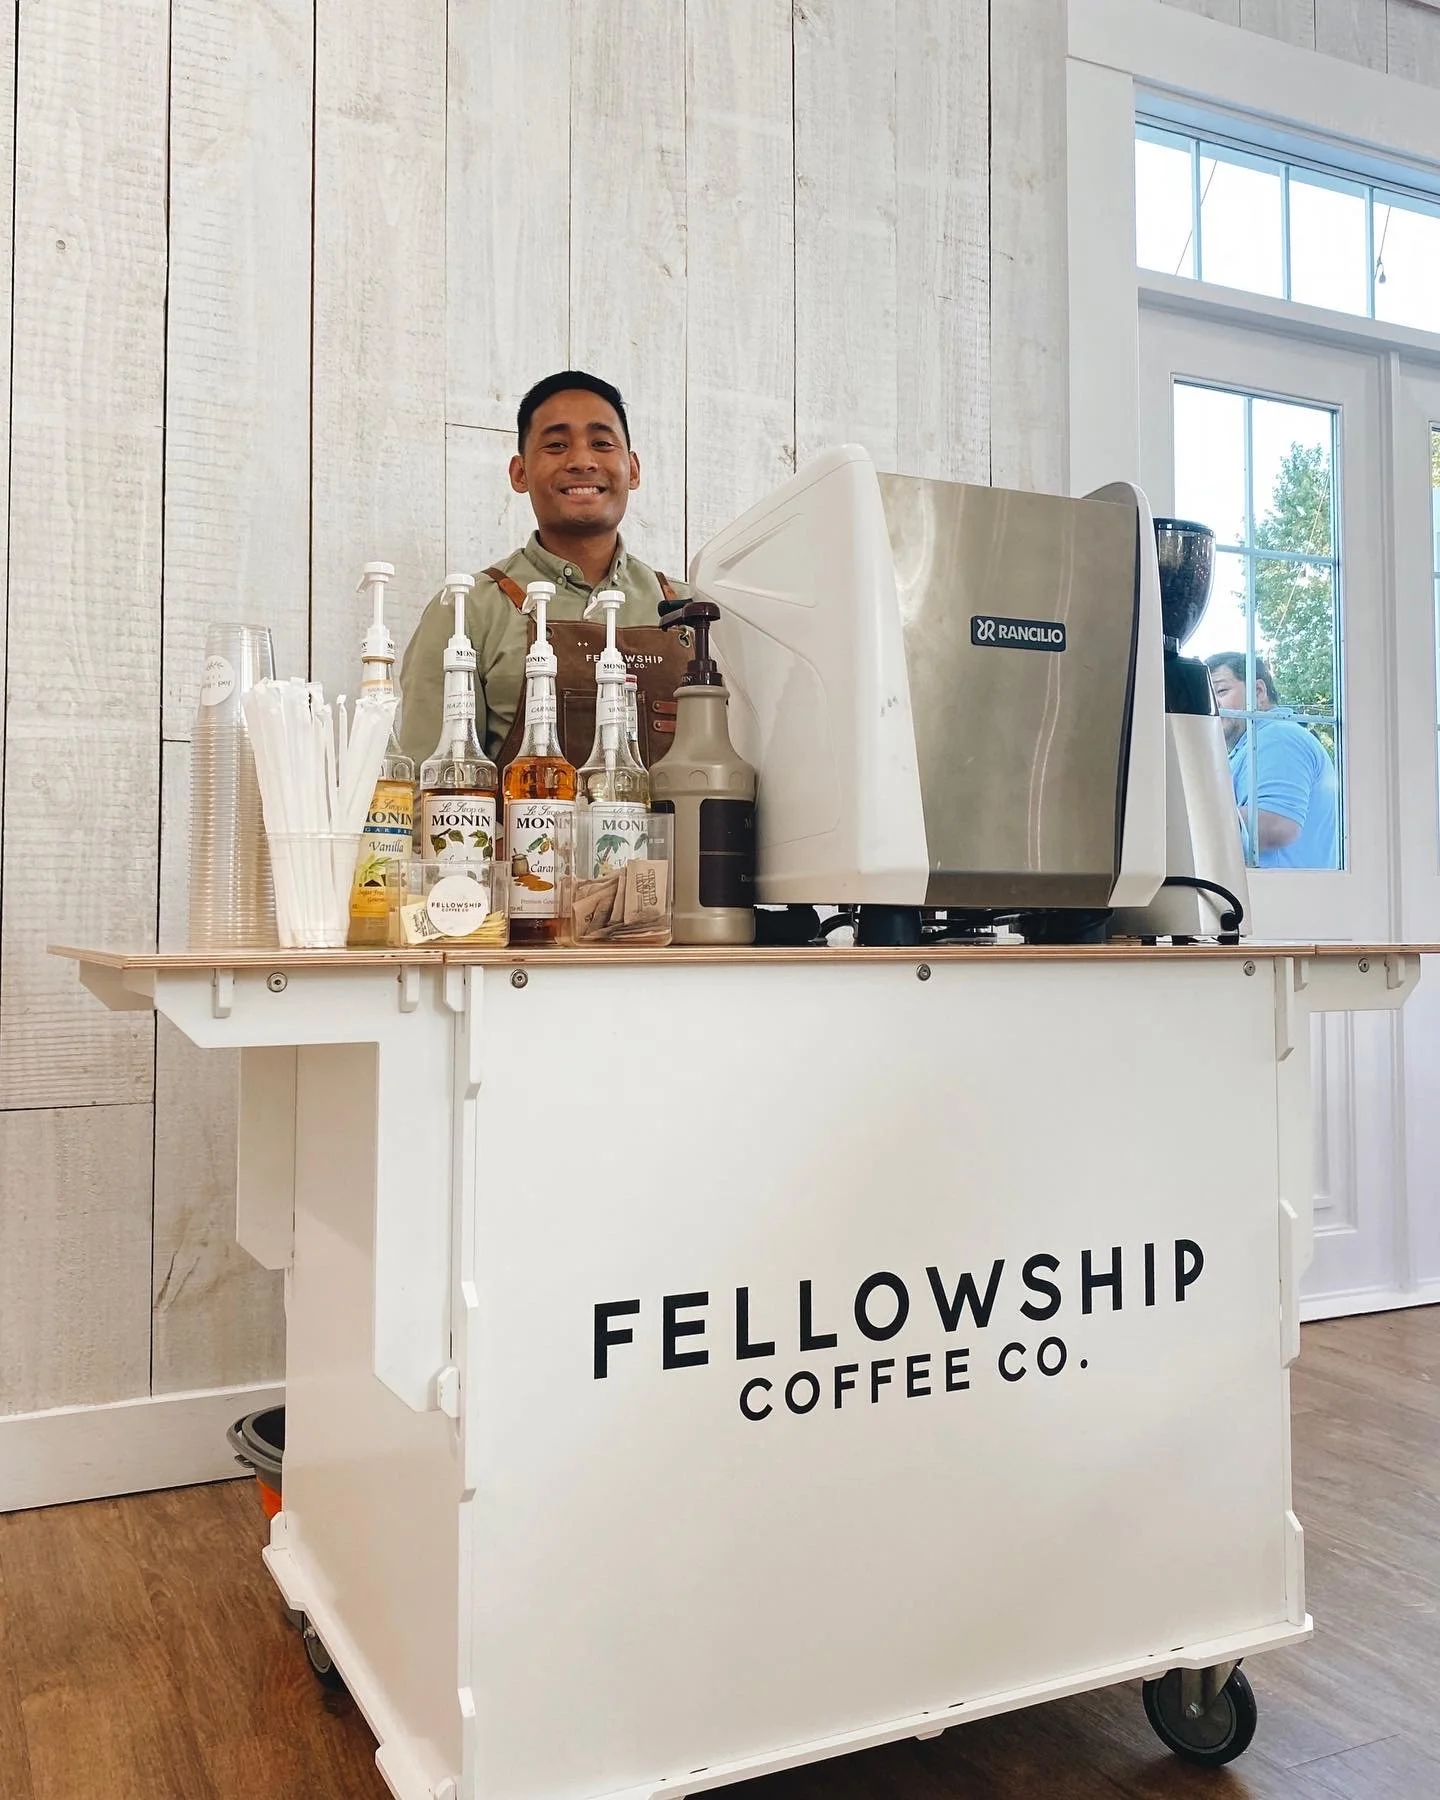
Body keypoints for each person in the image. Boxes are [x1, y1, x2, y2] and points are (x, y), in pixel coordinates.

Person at [398, 370, 686, 763]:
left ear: (633, 469)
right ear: (520, 473)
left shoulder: (690, 610)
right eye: (555, 445)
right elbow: (425, 789)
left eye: (602, 443)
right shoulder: (466, 611)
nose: (582, 460)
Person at [1205, 652, 1339, 870]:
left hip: (1282, 898)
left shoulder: (1277, 736)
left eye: (1220, 691)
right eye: (1206, 695)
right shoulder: (1251, 745)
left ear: (1258, 692)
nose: (1211, 703)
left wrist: (1185, 817)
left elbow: (1275, 824)